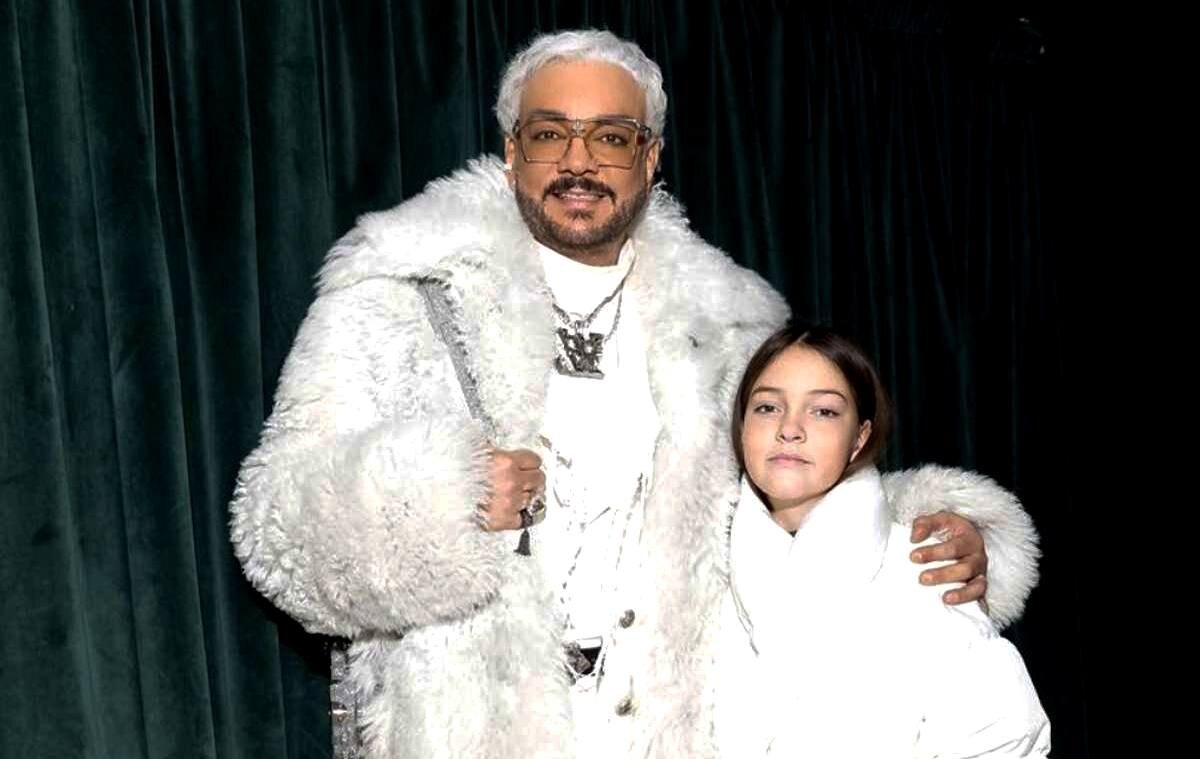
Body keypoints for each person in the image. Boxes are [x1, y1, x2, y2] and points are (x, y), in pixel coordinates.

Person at [229, 29, 1040, 758]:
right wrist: (439, 502)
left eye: (611, 137)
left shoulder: (730, 320)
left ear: (650, 159)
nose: (579, 161)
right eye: (551, 133)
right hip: (469, 727)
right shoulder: (400, 292)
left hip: (675, 731)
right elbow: (275, 528)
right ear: (512, 151)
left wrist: (930, 537)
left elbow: (791, 490)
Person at [716, 324, 1050, 757]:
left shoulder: (925, 569)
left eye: (823, 411)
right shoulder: (696, 576)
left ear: (859, 438)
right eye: (767, 407)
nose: (790, 428)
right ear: (742, 427)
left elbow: (1003, 737)